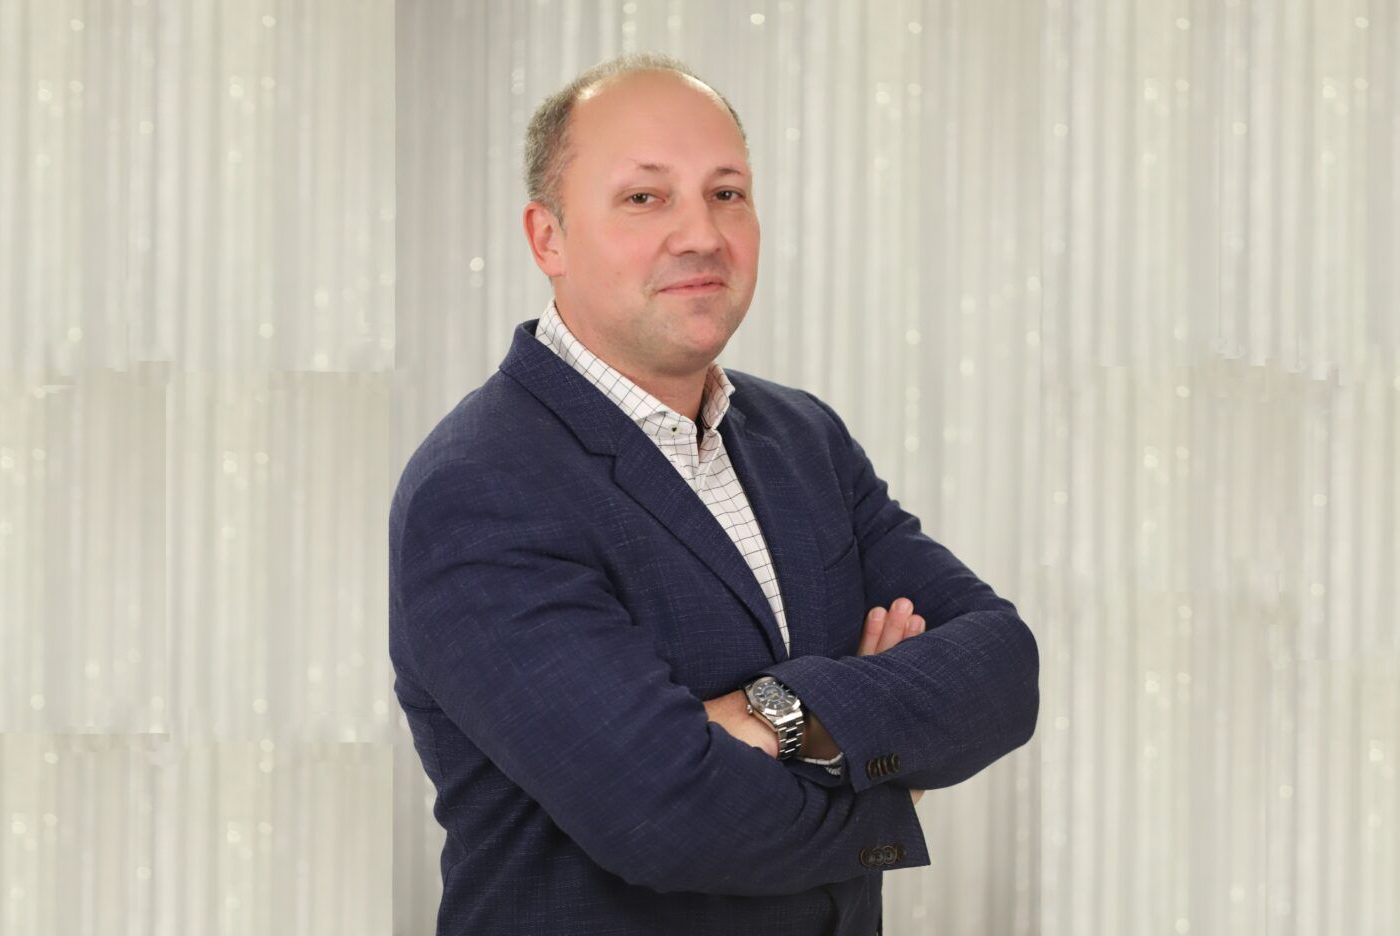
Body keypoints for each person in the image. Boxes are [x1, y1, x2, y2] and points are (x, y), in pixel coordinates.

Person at [389, 52, 1040, 936]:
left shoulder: (804, 438)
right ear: (548, 237)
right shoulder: (480, 488)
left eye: (726, 193)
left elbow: (1004, 670)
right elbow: (663, 816)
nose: (700, 233)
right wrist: (881, 769)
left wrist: (774, 716)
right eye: (644, 197)